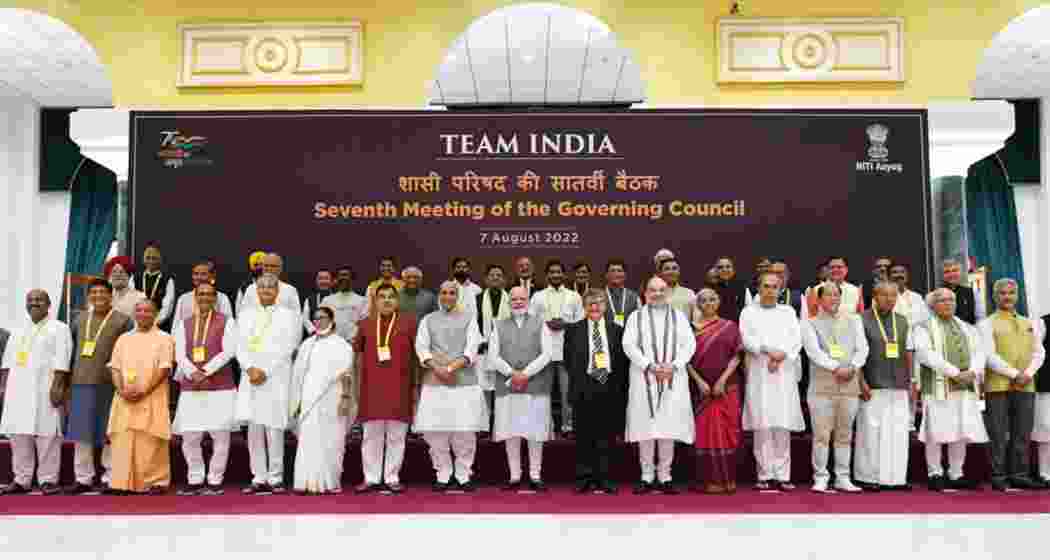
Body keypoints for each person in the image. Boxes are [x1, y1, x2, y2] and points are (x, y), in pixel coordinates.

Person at [624, 276, 697, 495]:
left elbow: (689, 345)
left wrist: (673, 366)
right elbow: (628, 344)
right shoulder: (635, 317)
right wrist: (649, 366)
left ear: (667, 293)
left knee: (668, 428)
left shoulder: (680, 318)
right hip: (644, 378)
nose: (657, 294)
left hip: (672, 379)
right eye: (652, 290)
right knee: (646, 429)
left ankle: (665, 476)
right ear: (645, 293)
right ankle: (646, 477)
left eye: (661, 290)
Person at [63, 278, 135, 494]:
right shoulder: (78, 319)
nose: (98, 297)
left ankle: (110, 476)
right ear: (89, 297)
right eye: (94, 293)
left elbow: (129, 355)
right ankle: (83, 478)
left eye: (102, 293)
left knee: (109, 433)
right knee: (81, 433)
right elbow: (70, 352)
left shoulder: (123, 321)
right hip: (80, 383)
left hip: (110, 385)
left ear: (110, 295)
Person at [914, 288, 989, 491]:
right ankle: (935, 473)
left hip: (965, 386)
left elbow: (980, 352)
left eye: (951, 299)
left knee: (960, 429)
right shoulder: (923, 327)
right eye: (942, 300)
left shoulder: (968, 327)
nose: (948, 303)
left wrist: (972, 372)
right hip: (939, 386)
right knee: (935, 431)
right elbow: (924, 354)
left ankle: (956, 473)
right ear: (932, 305)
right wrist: (955, 372)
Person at [414, 281, 486, 492]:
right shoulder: (428, 320)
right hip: (435, 380)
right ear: (439, 296)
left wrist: (451, 368)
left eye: (452, 293)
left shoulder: (469, 319)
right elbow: (421, 347)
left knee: (464, 430)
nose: (447, 296)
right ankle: (443, 474)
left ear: (458, 296)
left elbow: (472, 348)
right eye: (443, 292)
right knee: (436, 431)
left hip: (463, 382)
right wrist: (437, 368)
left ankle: (463, 475)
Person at [235, 273, 302, 495]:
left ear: (277, 292)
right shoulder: (245, 315)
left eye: (270, 288)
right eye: (262, 287)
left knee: (274, 429)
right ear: (255, 290)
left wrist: (266, 370)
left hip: (275, 377)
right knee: (254, 429)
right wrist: (249, 368)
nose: (265, 291)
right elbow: (239, 346)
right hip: (251, 377)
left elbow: (290, 345)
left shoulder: (289, 315)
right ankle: (258, 477)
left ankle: (275, 478)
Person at [0, 290, 71, 495]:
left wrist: (58, 387)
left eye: (39, 300)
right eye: (30, 300)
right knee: (19, 435)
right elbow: (7, 364)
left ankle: (48, 480)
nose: (34, 303)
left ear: (49, 304)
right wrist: (5, 389)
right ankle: (21, 480)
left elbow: (62, 361)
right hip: (18, 390)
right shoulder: (18, 330)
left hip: (45, 389)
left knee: (47, 434)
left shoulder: (59, 328)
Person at [800, 282, 869, 493]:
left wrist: (853, 367)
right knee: (821, 435)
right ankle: (820, 476)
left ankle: (842, 477)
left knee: (844, 434)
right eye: (828, 295)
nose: (834, 298)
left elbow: (863, 348)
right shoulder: (809, 323)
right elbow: (813, 352)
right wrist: (836, 367)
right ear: (819, 300)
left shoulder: (854, 320)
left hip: (849, 384)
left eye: (837, 295)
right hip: (822, 386)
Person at [979, 278, 1046, 491]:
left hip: (1026, 385)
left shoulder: (1031, 323)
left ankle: (1020, 474)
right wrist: (1015, 374)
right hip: (998, 386)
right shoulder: (986, 323)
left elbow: (1039, 352)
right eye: (1002, 293)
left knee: (1022, 432)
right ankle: (998, 475)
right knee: (998, 433)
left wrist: (1028, 374)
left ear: (1017, 295)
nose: (1007, 297)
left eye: (1011, 293)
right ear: (994, 296)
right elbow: (989, 356)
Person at [172, 283, 238, 496]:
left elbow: (229, 351)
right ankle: (195, 478)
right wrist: (193, 373)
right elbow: (179, 354)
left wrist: (206, 371)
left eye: (209, 295)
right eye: (201, 294)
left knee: (220, 435)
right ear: (195, 297)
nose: (204, 298)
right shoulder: (184, 323)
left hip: (220, 387)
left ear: (215, 298)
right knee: (190, 435)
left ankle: (215, 479)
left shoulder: (228, 321)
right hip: (192, 386)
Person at [740, 272, 805, 491]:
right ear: (758, 289)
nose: (770, 291)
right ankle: (765, 474)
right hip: (760, 371)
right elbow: (746, 338)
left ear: (780, 289)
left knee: (782, 424)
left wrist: (781, 356)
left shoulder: (788, 312)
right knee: (762, 424)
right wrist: (768, 351)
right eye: (766, 286)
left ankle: (783, 475)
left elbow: (796, 339)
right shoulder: (748, 312)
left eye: (774, 287)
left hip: (784, 372)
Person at [352, 284, 418, 494]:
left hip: (400, 387)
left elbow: (418, 357)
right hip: (371, 388)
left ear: (397, 301)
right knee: (371, 436)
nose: (387, 301)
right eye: (382, 297)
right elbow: (353, 355)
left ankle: (392, 477)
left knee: (397, 436)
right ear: (375, 301)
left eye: (391, 297)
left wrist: (416, 386)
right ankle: (371, 478)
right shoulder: (364, 324)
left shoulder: (409, 324)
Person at [106, 298, 176, 494]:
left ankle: (155, 482)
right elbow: (115, 368)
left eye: (148, 311)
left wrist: (144, 391)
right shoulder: (124, 339)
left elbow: (164, 369)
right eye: (139, 311)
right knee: (123, 437)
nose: (143, 314)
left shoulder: (164, 338)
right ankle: (121, 483)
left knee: (151, 438)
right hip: (124, 396)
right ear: (134, 314)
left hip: (152, 395)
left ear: (155, 314)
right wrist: (121, 390)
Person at [489, 286, 554, 491]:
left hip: (535, 385)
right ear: (509, 303)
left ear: (528, 301)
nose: (518, 302)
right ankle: (514, 476)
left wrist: (525, 373)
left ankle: (535, 475)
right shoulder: (498, 325)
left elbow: (547, 354)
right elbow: (493, 356)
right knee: (511, 432)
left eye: (522, 299)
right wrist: (512, 373)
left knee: (535, 433)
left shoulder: (541, 323)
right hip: (508, 386)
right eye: (514, 299)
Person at [566, 290, 629, 495]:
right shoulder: (573, 330)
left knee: (607, 436)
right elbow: (568, 361)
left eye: (599, 303)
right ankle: (584, 478)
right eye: (590, 304)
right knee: (583, 436)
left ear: (605, 306)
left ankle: (605, 478)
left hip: (608, 387)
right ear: (584, 306)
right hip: (583, 387)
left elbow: (621, 362)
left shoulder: (617, 330)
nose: (594, 307)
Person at [854, 281, 915, 491]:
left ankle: (895, 478)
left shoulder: (903, 321)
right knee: (870, 434)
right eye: (884, 295)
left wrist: (912, 382)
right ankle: (868, 477)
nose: (889, 299)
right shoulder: (861, 319)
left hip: (899, 385)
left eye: (893, 295)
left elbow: (909, 353)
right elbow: (856, 354)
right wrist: (860, 382)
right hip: (872, 384)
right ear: (875, 296)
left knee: (897, 433)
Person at [289, 306, 353, 495]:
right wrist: (297, 402)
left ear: (332, 320)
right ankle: (306, 482)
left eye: (323, 317)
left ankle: (329, 482)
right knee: (308, 439)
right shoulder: (307, 344)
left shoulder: (341, 345)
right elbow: (298, 375)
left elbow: (346, 375)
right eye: (315, 318)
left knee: (332, 439)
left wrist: (345, 398)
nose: (318, 321)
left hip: (333, 397)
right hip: (309, 398)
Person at [686, 288, 743, 495]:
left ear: (719, 302)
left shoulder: (730, 327)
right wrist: (700, 382)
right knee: (704, 434)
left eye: (712, 299)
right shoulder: (690, 330)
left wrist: (722, 380)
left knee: (727, 433)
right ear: (698, 304)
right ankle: (708, 481)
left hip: (726, 388)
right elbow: (686, 361)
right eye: (703, 300)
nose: (708, 303)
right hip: (701, 391)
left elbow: (737, 356)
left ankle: (728, 480)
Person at [529, 260, 584, 437]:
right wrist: (546, 324)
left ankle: (567, 426)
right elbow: (530, 322)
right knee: (543, 393)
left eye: (558, 272)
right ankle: (547, 427)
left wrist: (565, 324)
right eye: (552, 272)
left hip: (566, 351)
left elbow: (581, 322)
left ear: (564, 275)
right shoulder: (537, 296)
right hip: (544, 352)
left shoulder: (574, 296)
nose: (555, 275)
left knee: (567, 392)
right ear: (547, 275)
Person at [476, 264, 511, 432]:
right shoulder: (477, 299)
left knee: (502, 389)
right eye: (492, 275)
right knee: (484, 389)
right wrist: (481, 341)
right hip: (483, 351)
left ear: (504, 279)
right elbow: (472, 325)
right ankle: (484, 426)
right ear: (486, 279)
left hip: (505, 352)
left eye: (499, 275)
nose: (495, 278)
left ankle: (502, 424)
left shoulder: (511, 299)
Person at [172, 260, 234, 328]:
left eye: (203, 274)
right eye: (196, 274)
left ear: (212, 276)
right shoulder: (184, 298)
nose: (199, 277)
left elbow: (229, 326)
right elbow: (176, 327)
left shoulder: (222, 298)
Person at [238, 253, 301, 318]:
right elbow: (243, 314)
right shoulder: (251, 289)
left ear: (280, 269)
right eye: (266, 265)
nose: (269, 269)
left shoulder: (290, 290)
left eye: (273, 266)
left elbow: (297, 317)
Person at [131, 241, 176, 329]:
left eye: (154, 258)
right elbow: (132, 303)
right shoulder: (135, 278)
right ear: (144, 259)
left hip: (159, 325)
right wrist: (138, 322)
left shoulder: (167, 279)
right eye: (148, 258)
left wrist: (155, 322)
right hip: (138, 325)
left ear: (159, 260)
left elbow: (168, 305)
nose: (151, 261)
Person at [321, 266, 369, 343]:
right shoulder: (327, 300)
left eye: (346, 275)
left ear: (352, 278)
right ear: (336, 279)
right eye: (340, 275)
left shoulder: (362, 301)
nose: (343, 278)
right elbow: (321, 322)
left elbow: (364, 326)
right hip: (332, 343)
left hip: (353, 344)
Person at [1033, 311, 1050, 485]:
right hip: (1047, 383)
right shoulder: (1042, 322)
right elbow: (1035, 351)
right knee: (1046, 429)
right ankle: (1045, 473)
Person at [942, 258, 984, 325]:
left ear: (960, 272)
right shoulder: (935, 295)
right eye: (947, 272)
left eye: (954, 270)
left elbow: (980, 320)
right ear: (943, 275)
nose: (951, 274)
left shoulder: (973, 293)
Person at [604, 259, 641, 328]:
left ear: (625, 275)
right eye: (612, 270)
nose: (616, 273)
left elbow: (640, 321)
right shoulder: (598, 296)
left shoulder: (634, 297)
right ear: (606, 275)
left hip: (629, 337)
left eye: (619, 271)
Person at [889, 263, 928, 328]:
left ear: (907, 276)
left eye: (902, 272)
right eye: (895, 272)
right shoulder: (883, 297)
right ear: (889, 277)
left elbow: (925, 320)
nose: (899, 275)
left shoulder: (917, 297)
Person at [302, 268, 334, 337]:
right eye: (320, 278)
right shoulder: (309, 299)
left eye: (326, 278)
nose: (323, 281)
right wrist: (314, 331)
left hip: (333, 335)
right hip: (315, 336)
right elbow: (305, 319)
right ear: (316, 281)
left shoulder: (336, 299)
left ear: (331, 281)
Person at [712, 257, 744, 321]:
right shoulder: (709, 289)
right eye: (720, 267)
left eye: (728, 267)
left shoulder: (742, 287)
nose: (724, 270)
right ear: (715, 271)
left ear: (733, 270)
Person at [236, 251, 267, 316]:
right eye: (255, 265)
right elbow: (239, 311)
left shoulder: (277, 286)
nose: (259, 267)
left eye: (262, 264)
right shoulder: (244, 288)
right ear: (250, 267)